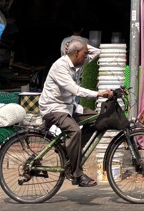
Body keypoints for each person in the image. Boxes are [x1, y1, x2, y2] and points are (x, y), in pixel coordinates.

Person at [39, 35, 111, 186]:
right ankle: (77, 174)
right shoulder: (60, 66)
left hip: (69, 107)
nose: (86, 56)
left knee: (99, 119)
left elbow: (97, 52)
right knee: (75, 131)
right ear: (76, 53)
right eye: (84, 53)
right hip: (53, 108)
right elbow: (76, 90)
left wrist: (77, 46)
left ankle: (69, 147)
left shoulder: (79, 62)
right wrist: (99, 93)